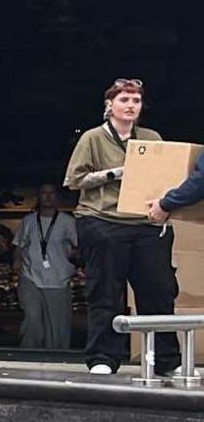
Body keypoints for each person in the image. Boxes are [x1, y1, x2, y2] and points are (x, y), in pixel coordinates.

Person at [64, 78, 178, 375]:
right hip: (103, 220)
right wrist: (116, 173)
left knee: (160, 292)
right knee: (105, 291)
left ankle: (167, 361)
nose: (130, 106)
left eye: (136, 101)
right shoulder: (93, 138)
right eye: (124, 100)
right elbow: (75, 180)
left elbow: (166, 175)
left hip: (145, 221)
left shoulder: (151, 137)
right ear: (109, 105)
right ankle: (103, 358)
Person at [16, 183, 78, 350]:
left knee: (57, 324)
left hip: (59, 278)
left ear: (57, 197)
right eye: (44, 193)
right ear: (39, 196)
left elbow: (78, 248)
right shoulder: (28, 221)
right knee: (32, 318)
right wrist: (17, 263)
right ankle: (28, 354)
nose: (48, 196)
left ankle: (56, 355)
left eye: (52, 193)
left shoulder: (68, 222)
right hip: (31, 276)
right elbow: (19, 246)